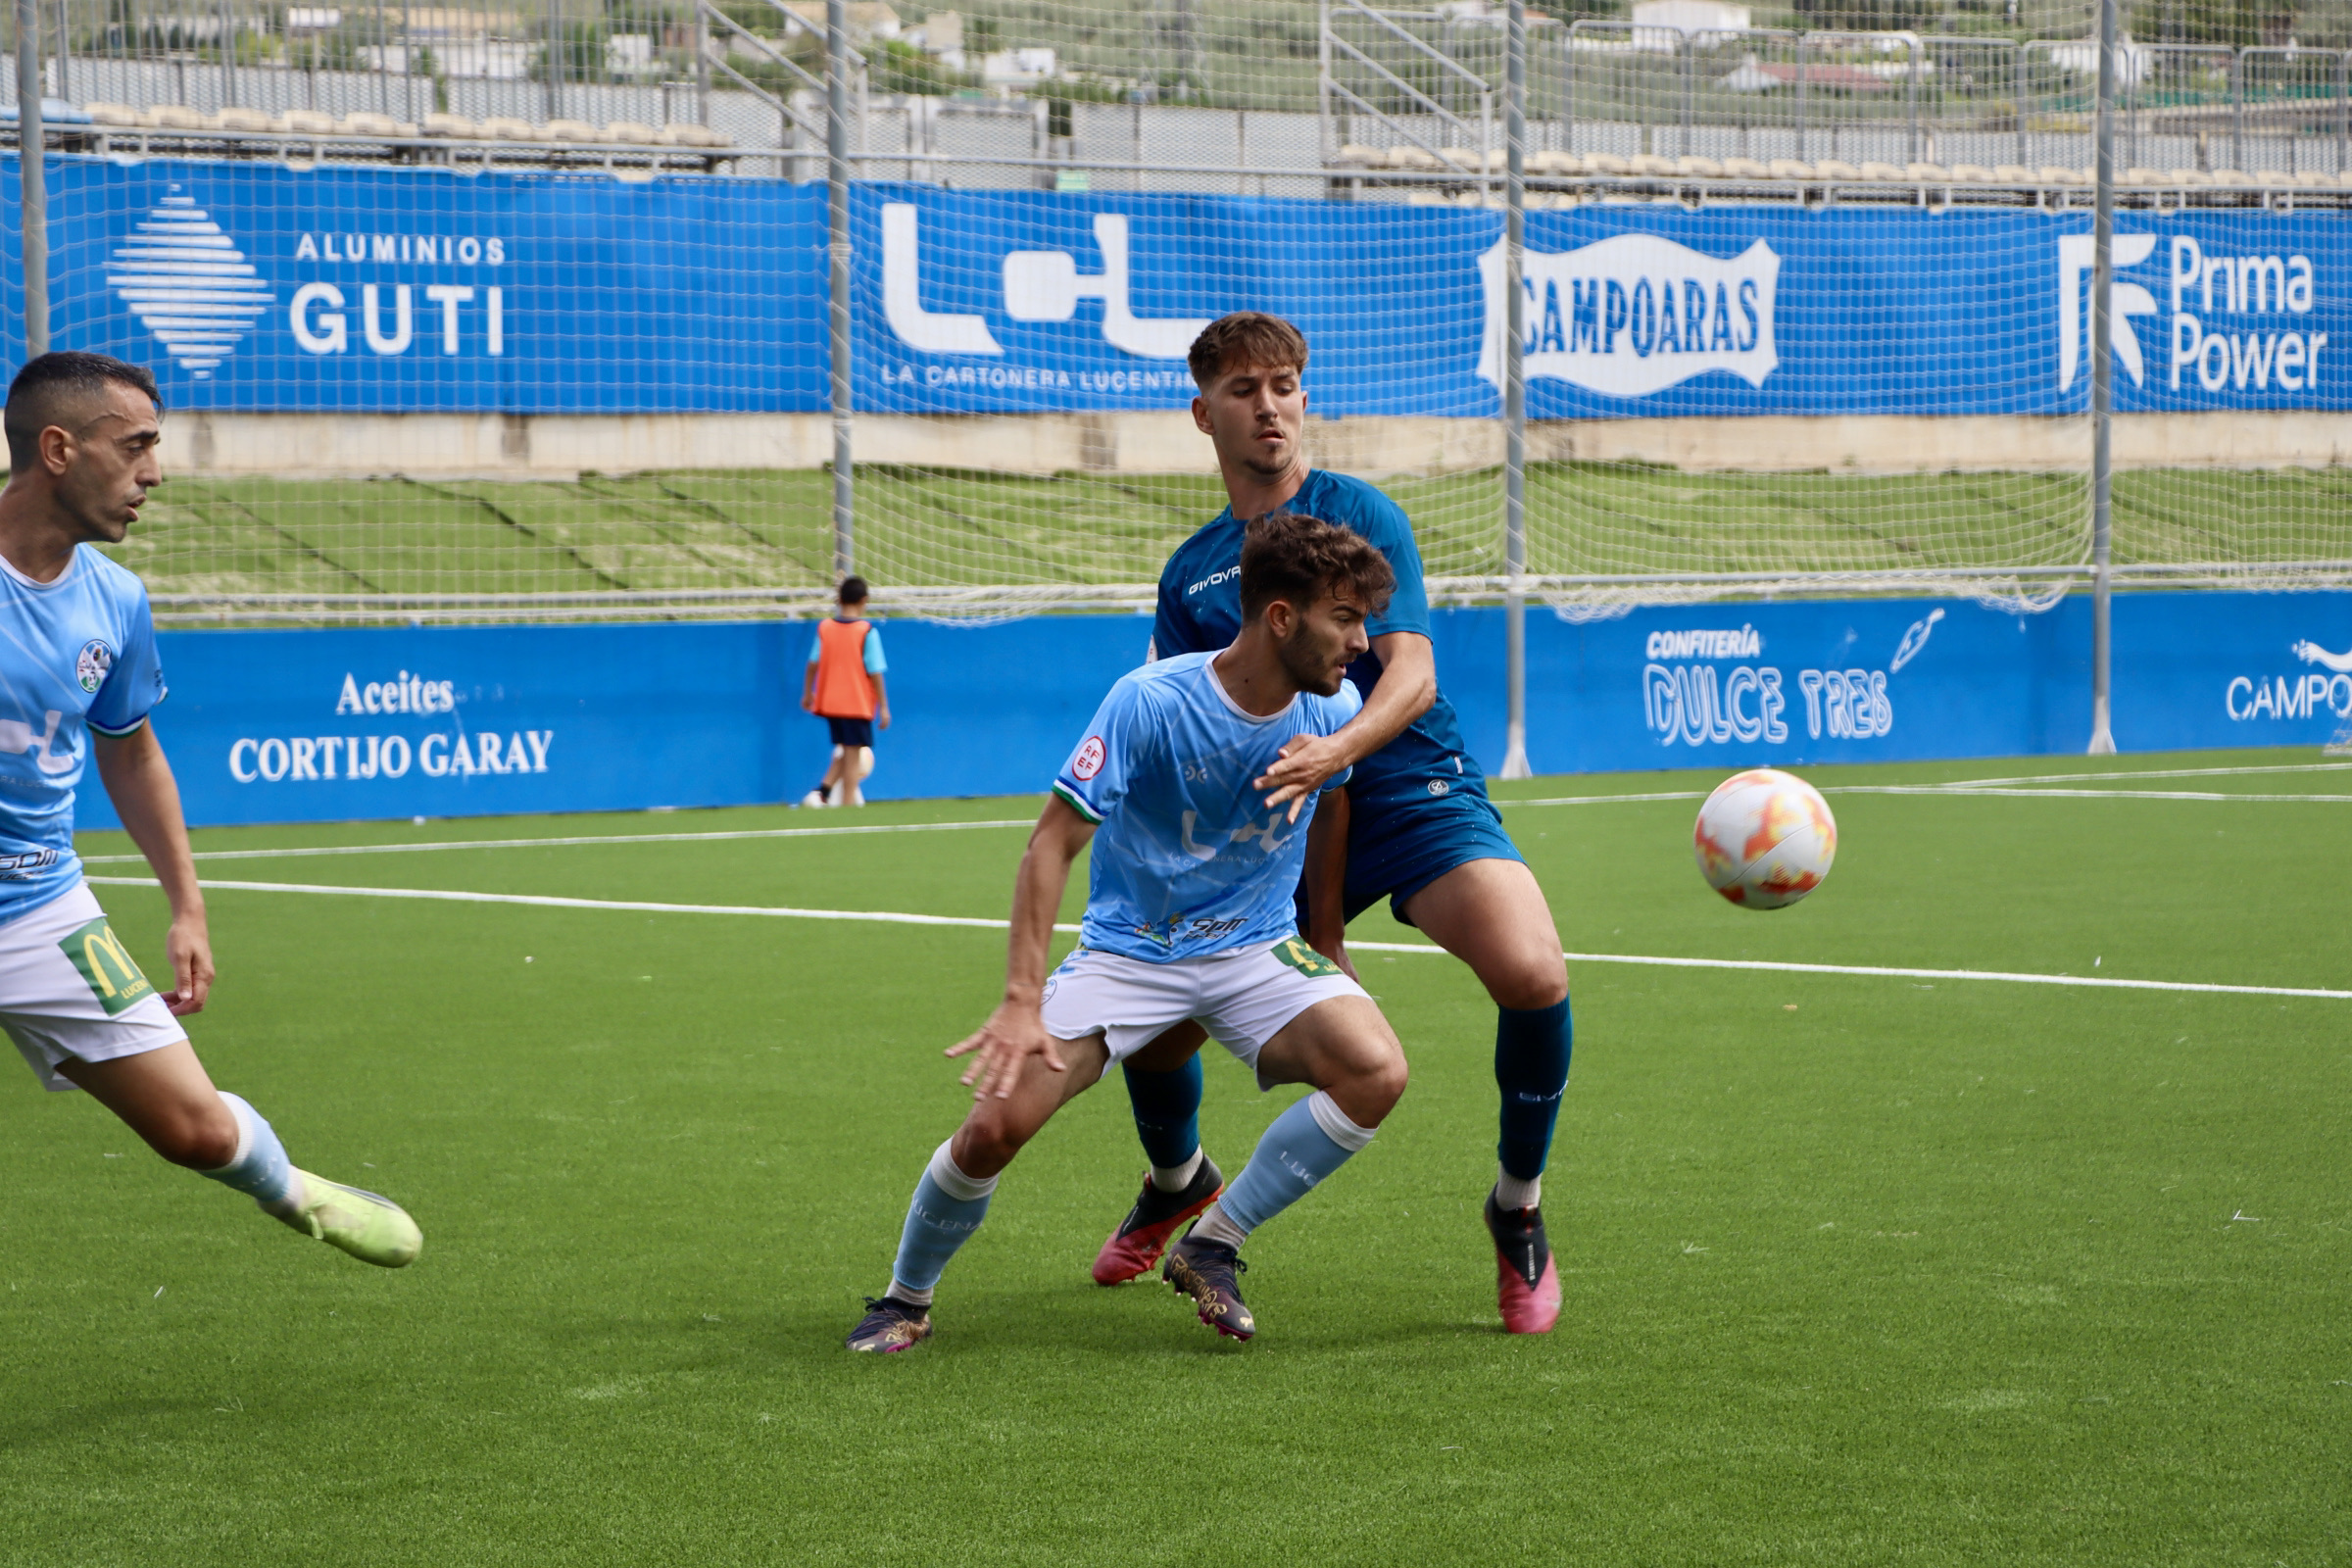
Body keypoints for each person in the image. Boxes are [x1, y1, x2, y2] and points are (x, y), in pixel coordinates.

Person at [1089, 312, 1575, 1335]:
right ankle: (1180, 1179)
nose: (1269, 405)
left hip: (1406, 783)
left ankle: (1517, 1207)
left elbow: (1412, 669)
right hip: (1279, 814)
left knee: (1533, 970)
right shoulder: (1192, 574)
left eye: (1285, 385)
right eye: (1244, 389)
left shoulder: (1359, 511)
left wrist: (1340, 750)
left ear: (1305, 397)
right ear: (1203, 413)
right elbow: (1189, 719)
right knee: (1153, 1011)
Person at [846, 514, 1408, 1351]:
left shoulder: (1336, 711)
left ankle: (1213, 1242)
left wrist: (1323, 939)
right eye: (1346, 619)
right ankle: (903, 1300)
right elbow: (1051, 843)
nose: (1362, 643)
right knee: (994, 1126)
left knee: (1377, 1071)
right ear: (1282, 618)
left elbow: (1333, 805)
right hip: (1129, 953)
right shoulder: (1149, 703)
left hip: (1255, 947)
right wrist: (1019, 1000)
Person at [0, 353, 420, 1267]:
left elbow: (132, 749)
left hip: (38, 911)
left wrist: (186, 904)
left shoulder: (115, 600)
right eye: (138, 446)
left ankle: (298, 1192)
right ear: (60, 447)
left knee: (194, 1130)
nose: (155, 472)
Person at [799, 575, 890, 808]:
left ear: (839, 600)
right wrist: (884, 706)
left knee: (847, 750)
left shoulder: (825, 628)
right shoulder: (866, 632)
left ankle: (824, 791)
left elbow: (812, 663)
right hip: (856, 702)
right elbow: (875, 671)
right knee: (853, 756)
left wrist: (808, 692)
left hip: (830, 702)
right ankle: (846, 803)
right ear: (865, 600)